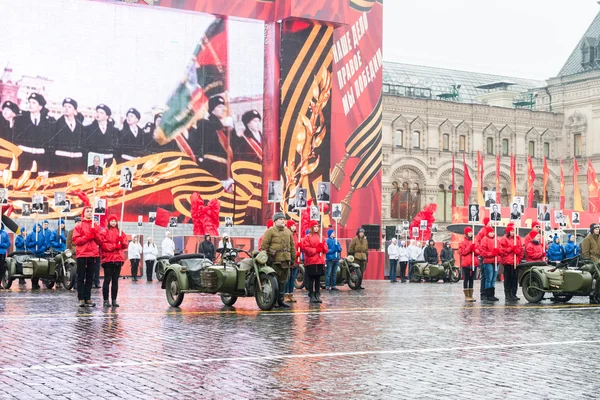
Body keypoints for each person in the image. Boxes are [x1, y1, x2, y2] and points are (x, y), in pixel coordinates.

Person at [12, 93, 55, 171]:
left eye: (34, 103)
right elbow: (14, 140)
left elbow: (51, 142)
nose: (30, 105)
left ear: (40, 107)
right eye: (29, 102)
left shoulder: (49, 121)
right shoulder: (20, 119)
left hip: (41, 159)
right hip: (23, 157)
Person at [261, 212, 295, 308]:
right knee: (274, 282)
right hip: (274, 261)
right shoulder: (270, 231)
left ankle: (281, 300)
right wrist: (265, 258)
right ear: (275, 221)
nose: (282, 220)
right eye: (280, 219)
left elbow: (292, 246)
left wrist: (293, 258)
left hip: (286, 260)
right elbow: (264, 246)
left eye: (283, 219)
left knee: (283, 282)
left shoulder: (288, 232)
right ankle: (274, 301)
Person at [72, 206, 101, 307]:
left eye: (91, 211)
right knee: (81, 277)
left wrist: (95, 234)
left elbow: (100, 240)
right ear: (83, 213)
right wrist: (88, 236)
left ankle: (88, 297)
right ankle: (81, 298)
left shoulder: (96, 226)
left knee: (90, 277)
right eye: (87, 211)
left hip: (93, 254)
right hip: (82, 254)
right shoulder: (79, 226)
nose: (89, 213)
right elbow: (76, 240)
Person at [99, 215, 128, 307]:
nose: (113, 223)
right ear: (109, 222)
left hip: (118, 259)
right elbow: (103, 245)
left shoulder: (120, 232)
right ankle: (106, 300)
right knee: (107, 279)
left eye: (115, 221)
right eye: (112, 221)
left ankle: (114, 300)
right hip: (108, 259)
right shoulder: (105, 232)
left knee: (115, 281)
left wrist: (122, 242)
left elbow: (125, 244)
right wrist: (115, 246)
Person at [50, 98, 84, 173]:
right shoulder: (55, 125)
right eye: (65, 106)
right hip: (59, 164)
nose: (66, 108)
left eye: (69, 107)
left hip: (77, 164)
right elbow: (51, 147)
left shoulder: (81, 127)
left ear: (75, 110)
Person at [301, 220, 328, 304]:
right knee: (311, 279)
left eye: (317, 227)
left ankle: (317, 294)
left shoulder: (321, 237)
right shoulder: (307, 237)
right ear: (312, 227)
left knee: (318, 279)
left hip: (319, 261)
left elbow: (326, 249)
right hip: (311, 261)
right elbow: (306, 249)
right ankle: (311, 294)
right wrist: (316, 249)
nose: (316, 228)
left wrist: (322, 247)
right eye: (315, 227)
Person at [499, 224, 523, 301]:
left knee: (515, 278)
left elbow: (520, 250)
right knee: (508, 278)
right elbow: (502, 251)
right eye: (511, 231)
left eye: (513, 231)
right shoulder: (504, 239)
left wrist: (518, 254)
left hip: (515, 262)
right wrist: (511, 249)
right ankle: (508, 294)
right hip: (507, 262)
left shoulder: (517, 239)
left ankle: (513, 294)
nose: (513, 232)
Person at [478, 226, 500, 302]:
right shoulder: (484, 240)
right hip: (488, 261)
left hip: (496, 261)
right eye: (490, 232)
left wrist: (498, 251)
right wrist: (492, 253)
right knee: (489, 278)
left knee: (493, 279)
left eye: (493, 232)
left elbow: (500, 250)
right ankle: (487, 294)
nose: (492, 233)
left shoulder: (496, 240)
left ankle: (492, 294)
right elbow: (483, 252)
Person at [458, 227, 478, 302]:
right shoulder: (463, 242)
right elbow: (462, 252)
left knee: (472, 279)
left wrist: (475, 250)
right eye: (469, 232)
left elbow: (478, 251)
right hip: (466, 263)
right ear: (466, 233)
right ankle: (466, 295)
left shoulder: (474, 241)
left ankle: (471, 295)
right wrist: (470, 248)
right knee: (466, 278)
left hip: (474, 263)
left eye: (471, 232)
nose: (470, 233)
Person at [283, 220, 300, 303]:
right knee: (287, 278)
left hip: (296, 260)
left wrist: (300, 247)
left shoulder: (296, 235)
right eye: (292, 225)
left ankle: (291, 294)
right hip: (289, 259)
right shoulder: (286, 234)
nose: (294, 227)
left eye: (294, 225)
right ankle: (285, 294)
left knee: (293, 278)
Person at [26, 224, 47, 290]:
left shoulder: (42, 235)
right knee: (33, 269)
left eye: (39, 227)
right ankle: (33, 283)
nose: (38, 228)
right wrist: (34, 243)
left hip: (40, 254)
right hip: (32, 254)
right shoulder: (30, 235)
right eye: (37, 227)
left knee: (39, 269)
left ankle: (36, 282)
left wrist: (41, 250)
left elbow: (45, 244)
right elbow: (27, 244)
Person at [0, 224, 10, 290]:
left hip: (2, 253)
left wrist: (2, 245)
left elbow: (8, 243)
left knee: (1, 269)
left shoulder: (5, 234)